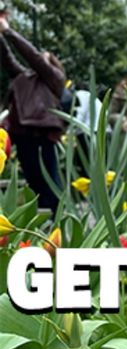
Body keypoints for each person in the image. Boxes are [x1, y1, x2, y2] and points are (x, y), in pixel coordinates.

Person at [0, 13, 65, 210]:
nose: (40, 57)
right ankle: (43, 222)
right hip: (22, 135)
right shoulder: (24, 78)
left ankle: (56, 221)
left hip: (41, 135)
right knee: (34, 181)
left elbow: (34, 58)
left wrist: (8, 31)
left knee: (49, 183)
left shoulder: (55, 78)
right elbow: (7, 58)